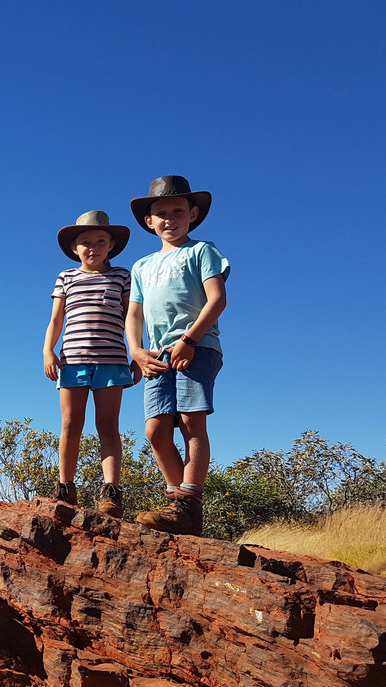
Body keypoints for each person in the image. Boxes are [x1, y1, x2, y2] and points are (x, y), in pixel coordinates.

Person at [125, 176, 230, 536]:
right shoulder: (141, 267)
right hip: (156, 354)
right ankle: (178, 503)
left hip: (196, 347)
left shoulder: (202, 251)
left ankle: (188, 501)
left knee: (190, 422)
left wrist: (189, 339)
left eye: (178, 212)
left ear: (193, 214)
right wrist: (136, 351)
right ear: (148, 221)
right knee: (155, 430)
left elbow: (217, 300)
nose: (169, 219)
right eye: (161, 214)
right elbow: (134, 314)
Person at [44, 210, 139, 518]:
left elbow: (132, 318)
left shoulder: (122, 276)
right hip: (72, 361)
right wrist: (48, 350)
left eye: (100, 241)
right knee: (71, 424)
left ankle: (111, 493)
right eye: (86, 242)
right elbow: (56, 319)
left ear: (111, 245)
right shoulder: (65, 277)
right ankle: (65, 488)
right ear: (75, 247)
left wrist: (137, 353)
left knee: (108, 426)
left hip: (112, 361)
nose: (93, 248)